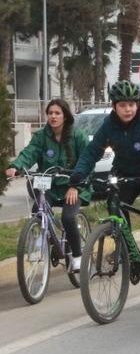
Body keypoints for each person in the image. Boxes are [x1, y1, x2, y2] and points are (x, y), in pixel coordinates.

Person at [66, 81, 140, 280]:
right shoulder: (109, 124)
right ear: (114, 106)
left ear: (138, 105)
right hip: (127, 173)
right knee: (114, 205)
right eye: (123, 105)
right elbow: (92, 152)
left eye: (132, 104)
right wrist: (78, 175)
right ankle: (129, 254)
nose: (128, 109)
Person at [6, 99, 92, 271]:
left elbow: (87, 162)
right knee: (37, 212)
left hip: (72, 187)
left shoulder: (78, 136)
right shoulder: (41, 136)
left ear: (65, 116)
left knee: (68, 218)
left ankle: (76, 255)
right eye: (50, 113)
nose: (53, 116)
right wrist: (15, 166)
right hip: (48, 186)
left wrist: (75, 186)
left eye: (57, 113)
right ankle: (42, 242)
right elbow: (29, 153)